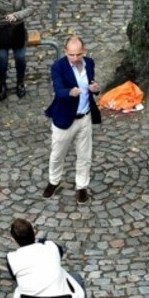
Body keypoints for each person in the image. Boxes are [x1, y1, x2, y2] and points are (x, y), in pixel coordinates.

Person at [7, 218, 97, 298]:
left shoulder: (12, 258)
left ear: (14, 239)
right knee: (76, 277)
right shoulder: (50, 246)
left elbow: (14, 277)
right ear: (34, 233)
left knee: (20, 285)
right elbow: (60, 252)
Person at [43, 36, 102, 204]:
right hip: (64, 118)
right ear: (65, 52)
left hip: (84, 116)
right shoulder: (58, 67)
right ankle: (54, 181)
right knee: (57, 154)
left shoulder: (89, 63)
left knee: (85, 155)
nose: (75, 58)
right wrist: (70, 92)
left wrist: (95, 89)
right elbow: (58, 89)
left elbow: (91, 84)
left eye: (78, 54)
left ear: (84, 51)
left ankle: (81, 186)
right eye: (71, 55)